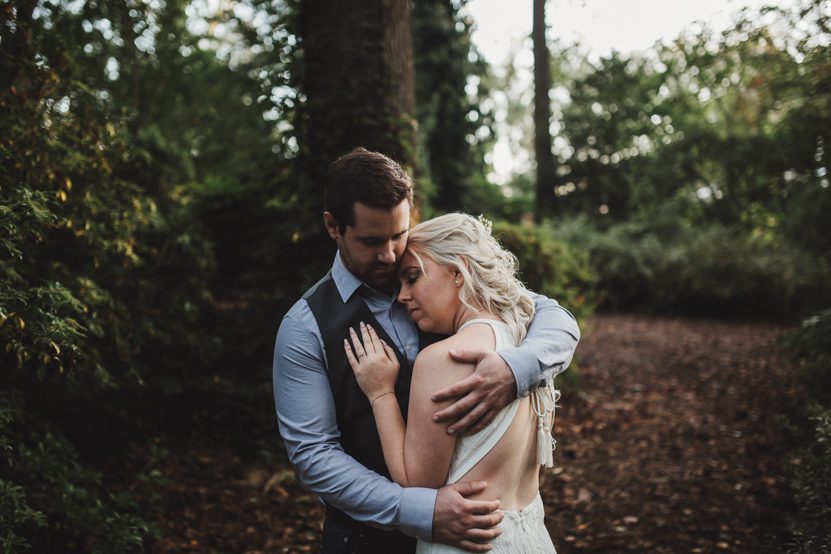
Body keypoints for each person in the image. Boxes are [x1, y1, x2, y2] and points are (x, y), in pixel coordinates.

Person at [273, 147, 579, 553]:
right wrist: (420, 510)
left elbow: (554, 316)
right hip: (365, 542)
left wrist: (516, 368)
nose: (389, 254)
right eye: (371, 241)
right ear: (333, 226)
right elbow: (314, 455)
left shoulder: (443, 271)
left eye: (398, 235)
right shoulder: (304, 326)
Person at [344, 213, 560, 553]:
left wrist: (381, 392)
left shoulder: (445, 358)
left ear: (457, 273)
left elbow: (417, 483)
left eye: (412, 278)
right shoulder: (528, 340)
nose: (402, 296)